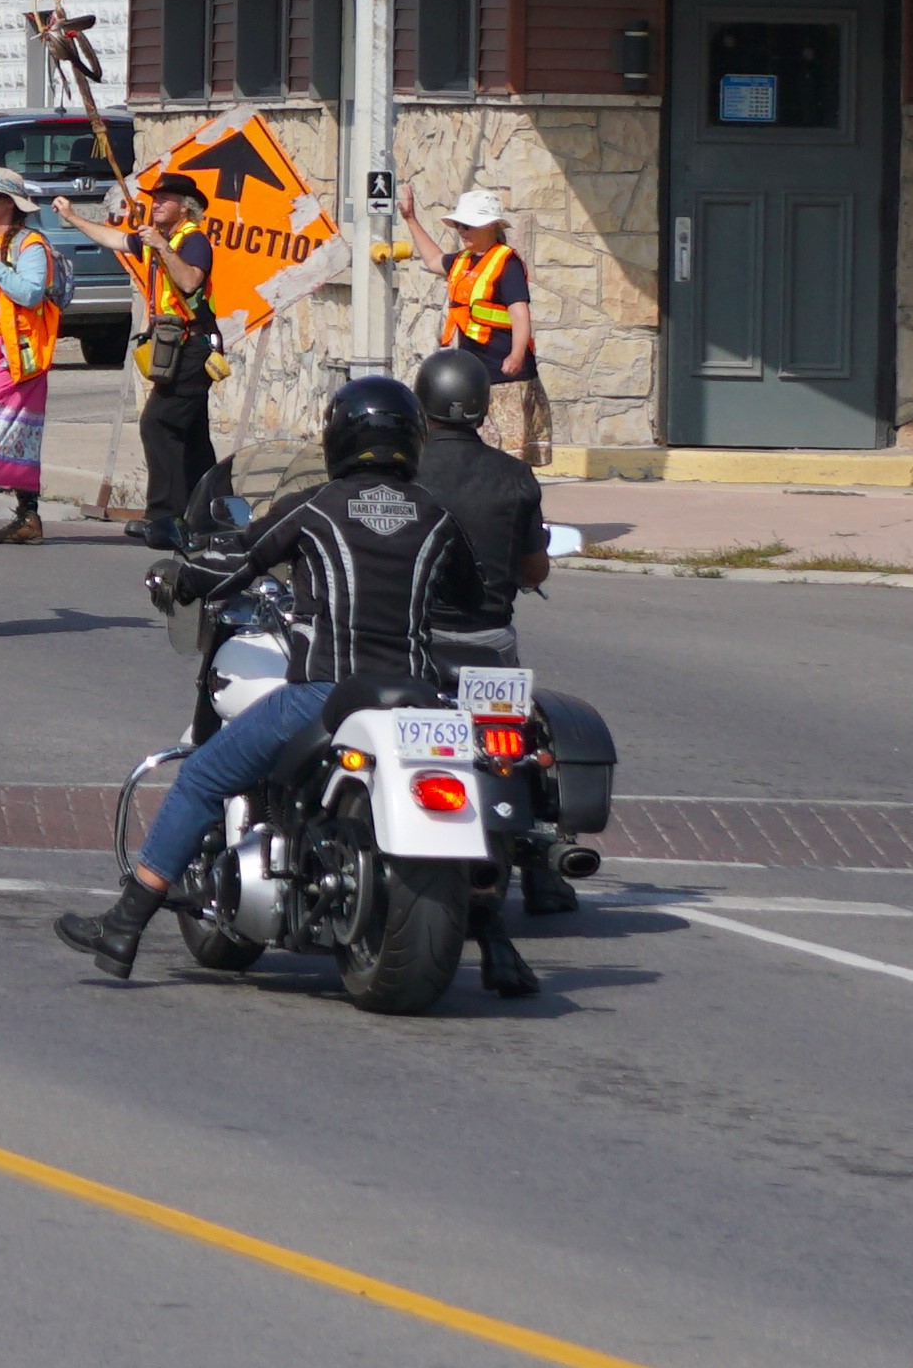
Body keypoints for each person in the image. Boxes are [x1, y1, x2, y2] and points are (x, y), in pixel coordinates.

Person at [54, 371, 513, 991]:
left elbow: (240, 560)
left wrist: (184, 578)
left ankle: (123, 926)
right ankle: (500, 944)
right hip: (417, 698)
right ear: (411, 439)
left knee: (202, 777)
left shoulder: (317, 506)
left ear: (340, 440)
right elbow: (468, 595)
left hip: (325, 696)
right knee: (480, 787)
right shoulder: (436, 517)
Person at [413, 340, 607, 919]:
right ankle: (539, 860)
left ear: (422, 406)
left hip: (413, 642)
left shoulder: (402, 473)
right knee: (514, 745)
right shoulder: (515, 476)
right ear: (482, 407)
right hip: (488, 645)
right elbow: (533, 568)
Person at [121, 173, 223, 545]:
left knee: (158, 424)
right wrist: (71, 218)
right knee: (192, 435)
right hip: (175, 346)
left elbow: (191, 281)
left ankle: (164, 517)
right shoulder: (156, 239)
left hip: (194, 346)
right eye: (155, 197)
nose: (156, 202)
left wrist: (162, 247)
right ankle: (210, 512)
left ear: (185, 207)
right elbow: (115, 239)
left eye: (165, 198)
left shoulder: (193, 241)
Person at [0, 174, 60, 546]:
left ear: (9, 203)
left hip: (17, 355)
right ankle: (28, 517)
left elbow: (30, 294)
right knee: (8, 432)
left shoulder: (31, 244)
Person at [437, 184, 546, 462]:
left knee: (512, 454)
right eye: (459, 225)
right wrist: (411, 219)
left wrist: (517, 354)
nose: (462, 231)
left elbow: (519, 312)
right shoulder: (463, 261)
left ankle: (516, 494)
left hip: (504, 371)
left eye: (468, 225)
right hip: (475, 372)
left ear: (490, 227)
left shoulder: (505, 263)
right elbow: (432, 260)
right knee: (483, 450)